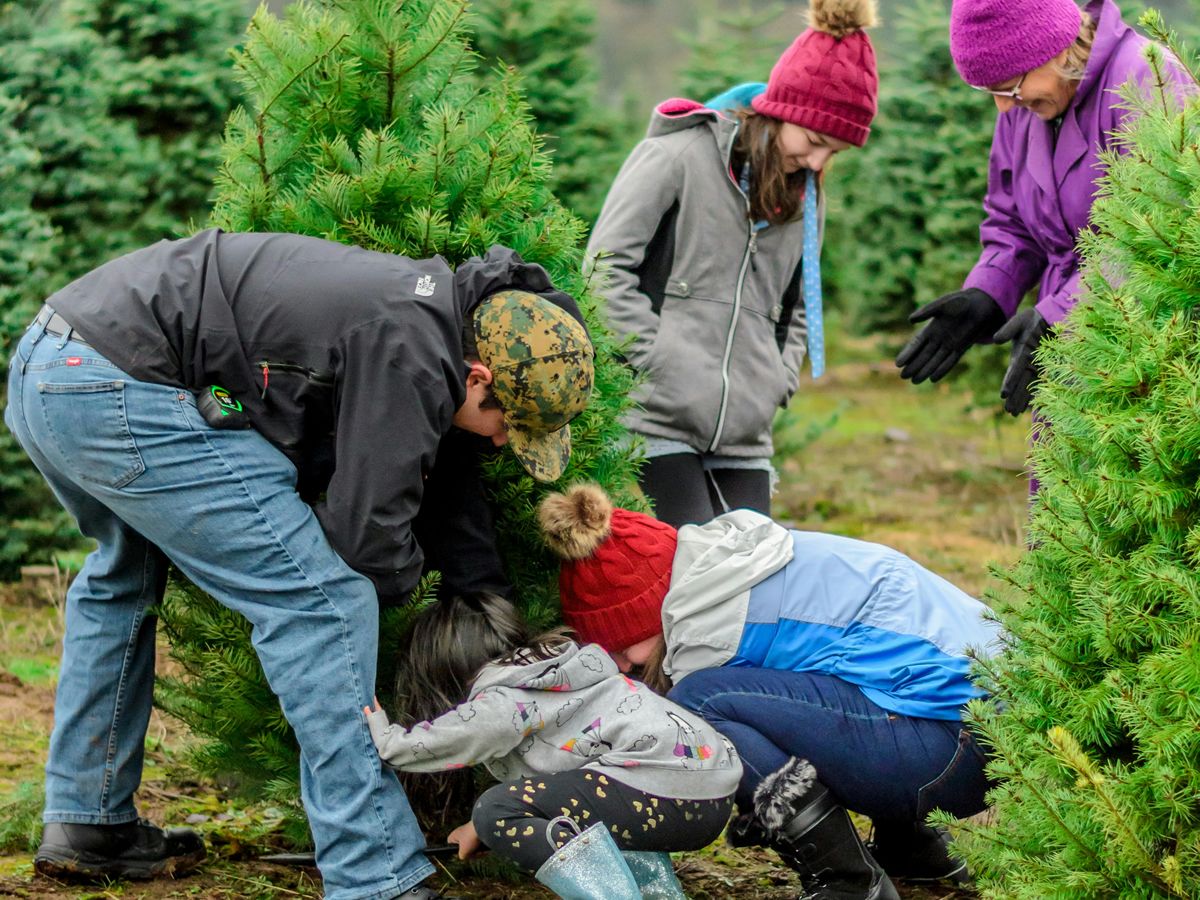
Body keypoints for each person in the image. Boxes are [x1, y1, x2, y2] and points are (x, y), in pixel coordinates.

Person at [4, 229, 594, 900]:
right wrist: (411, 606)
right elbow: (365, 539)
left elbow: (244, 398)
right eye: (509, 425)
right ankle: (375, 875)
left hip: (57, 365)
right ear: (479, 376)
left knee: (123, 577)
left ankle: (89, 819)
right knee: (323, 605)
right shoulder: (414, 353)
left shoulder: (425, 308)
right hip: (121, 386)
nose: (502, 442)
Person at [537, 483, 1004, 900]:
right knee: (846, 678)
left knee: (696, 705)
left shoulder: (708, 628)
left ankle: (847, 880)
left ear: (643, 613)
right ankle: (911, 849)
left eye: (618, 646)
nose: (620, 665)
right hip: (993, 732)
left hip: (952, 754)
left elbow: (684, 752)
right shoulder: (736, 561)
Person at [585, 0, 878, 527]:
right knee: (695, 572)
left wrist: (775, 380)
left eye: (834, 153)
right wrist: (655, 360)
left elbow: (797, 306)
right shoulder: (677, 156)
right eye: (814, 142)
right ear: (781, 111)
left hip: (745, 432)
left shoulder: (806, 196)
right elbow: (604, 268)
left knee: (751, 579)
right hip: (654, 418)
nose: (818, 163)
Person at [895, 0, 1193, 418]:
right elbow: (1012, 221)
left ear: (1053, 49)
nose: (1003, 106)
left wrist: (1062, 315)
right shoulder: (1026, 105)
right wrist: (989, 290)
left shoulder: (1146, 79)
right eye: (991, 92)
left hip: (1151, 346)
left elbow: (1160, 226)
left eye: (1009, 85)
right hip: (1066, 343)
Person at [365, 592, 741, 900]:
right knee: (597, 814)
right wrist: (482, 827)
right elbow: (568, 788)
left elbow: (458, 735)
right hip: (708, 787)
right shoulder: (554, 673)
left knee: (495, 807)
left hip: (661, 784)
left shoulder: (503, 695)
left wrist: (390, 741)